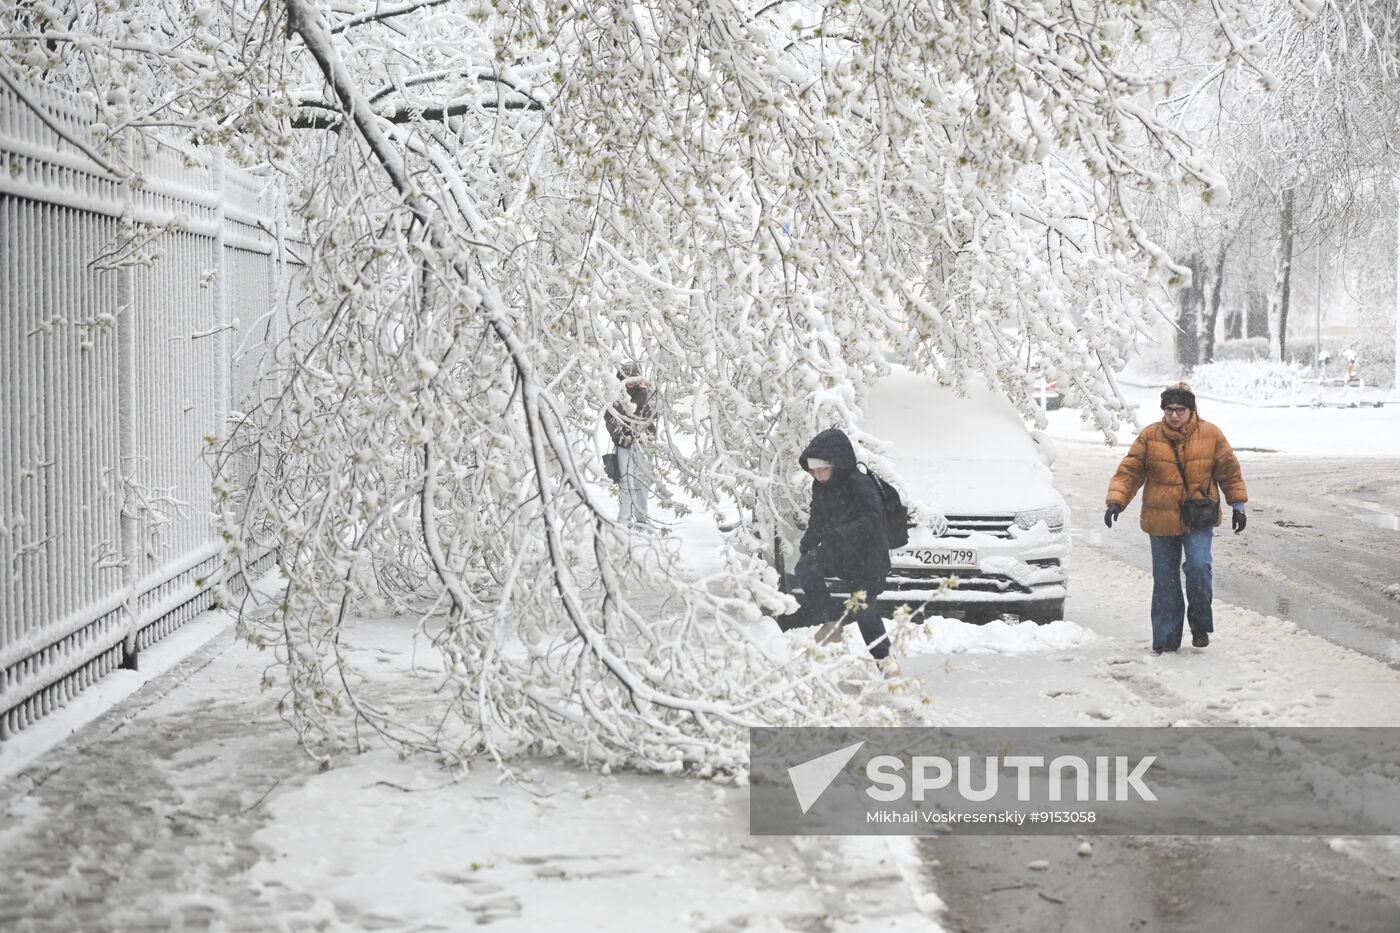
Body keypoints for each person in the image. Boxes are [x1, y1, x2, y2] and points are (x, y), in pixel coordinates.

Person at [1104, 383, 1248, 654]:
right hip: (1160, 518)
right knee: (1165, 581)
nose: (1173, 415)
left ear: (1191, 410)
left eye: (1180, 410)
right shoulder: (1150, 436)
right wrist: (1116, 501)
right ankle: (1166, 639)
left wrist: (1238, 505)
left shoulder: (1211, 434)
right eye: (1168, 410)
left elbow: (1229, 471)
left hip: (1198, 516)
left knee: (1199, 567)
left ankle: (1200, 626)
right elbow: (1129, 472)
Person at [778, 428, 899, 677]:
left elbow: (874, 519)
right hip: (842, 553)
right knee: (806, 566)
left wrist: (842, 533)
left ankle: (888, 665)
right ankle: (832, 623)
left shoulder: (860, 483)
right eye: (814, 470)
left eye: (822, 469)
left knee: (864, 610)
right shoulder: (821, 487)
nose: (817, 475)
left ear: (837, 464)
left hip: (869, 559)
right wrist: (808, 543)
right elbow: (818, 519)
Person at [605, 361, 656, 526]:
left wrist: (649, 435)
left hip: (642, 445)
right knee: (626, 483)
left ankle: (642, 519)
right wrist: (622, 436)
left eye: (634, 378)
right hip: (623, 446)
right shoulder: (617, 396)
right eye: (628, 378)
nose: (631, 382)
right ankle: (623, 520)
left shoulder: (644, 394)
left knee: (642, 481)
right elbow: (611, 419)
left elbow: (650, 417)